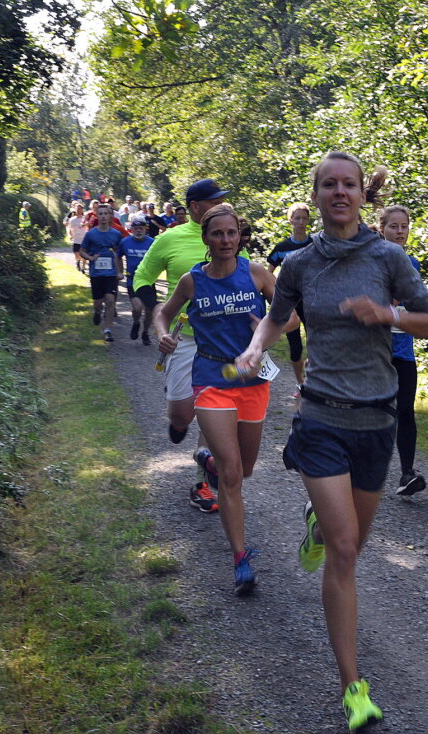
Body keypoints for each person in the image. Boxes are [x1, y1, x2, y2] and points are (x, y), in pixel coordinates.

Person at [234, 151, 428, 732]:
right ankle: (352, 685)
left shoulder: (389, 257)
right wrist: (257, 349)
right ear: (318, 193)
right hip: (323, 415)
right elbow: (276, 317)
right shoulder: (301, 262)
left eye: (349, 184)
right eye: (329, 185)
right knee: (346, 550)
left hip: (376, 422)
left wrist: (387, 314)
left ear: (360, 193)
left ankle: (317, 523)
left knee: (350, 542)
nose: (340, 193)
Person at [154, 204, 294, 595]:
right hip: (211, 378)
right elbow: (163, 314)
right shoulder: (192, 281)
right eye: (218, 234)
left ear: (239, 236)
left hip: (252, 381)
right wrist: (163, 334)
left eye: (232, 233)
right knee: (232, 477)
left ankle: (206, 459)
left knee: (244, 470)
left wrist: (265, 329)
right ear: (206, 239)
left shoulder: (256, 274)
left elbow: (293, 317)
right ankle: (240, 558)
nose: (226, 240)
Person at [133, 178, 236, 513]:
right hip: (183, 338)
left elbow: (244, 280)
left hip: (220, 341)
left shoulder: (230, 236)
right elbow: (142, 277)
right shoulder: (170, 238)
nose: (222, 206)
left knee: (212, 409)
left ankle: (203, 483)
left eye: (223, 200)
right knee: (183, 413)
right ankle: (178, 423)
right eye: (215, 201)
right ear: (195, 207)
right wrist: (156, 318)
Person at [378, 204, 427, 496]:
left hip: (404, 350)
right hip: (375, 351)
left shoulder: (413, 264)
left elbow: (414, 303)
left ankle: (407, 474)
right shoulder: (370, 262)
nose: (399, 231)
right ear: (382, 229)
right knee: (375, 412)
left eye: (403, 226)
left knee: (406, 411)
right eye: (393, 226)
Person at [266, 202, 313, 392]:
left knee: (316, 342)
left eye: (304, 218)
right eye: (297, 218)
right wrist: (277, 294)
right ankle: (300, 383)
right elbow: (268, 274)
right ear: (290, 220)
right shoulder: (281, 248)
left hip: (312, 300)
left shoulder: (315, 244)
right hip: (291, 302)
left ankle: (313, 378)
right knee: (295, 347)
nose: (301, 222)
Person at [80, 204, 125, 344]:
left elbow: (119, 254)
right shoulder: (91, 234)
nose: (104, 216)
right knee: (98, 302)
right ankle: (98, 311)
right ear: (97, 216)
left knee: (111, 300)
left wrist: (120, 272)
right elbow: (82, 250)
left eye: (106, 213)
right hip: (96, 273)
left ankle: (107, 330)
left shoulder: (116, 234)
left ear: (110, 215)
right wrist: (90, 258)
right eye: (101, 214)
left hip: (111, 274)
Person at [119, 218, 154, 345]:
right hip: (132, 280)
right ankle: (136, 322)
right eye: (136, 228)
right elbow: (118, 256)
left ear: (146, 229)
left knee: (149, 310)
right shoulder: (125, 242)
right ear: (131, 229)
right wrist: (119, 271)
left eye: (141, 228)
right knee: (138, 308)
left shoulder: (152, 243)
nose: (138, 231)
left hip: (148, 281)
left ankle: (145, 332)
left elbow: (160, 258)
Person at [67, 204, 87, 272]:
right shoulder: (72, 220)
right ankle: (78, 261)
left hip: (84, 239)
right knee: (77, 254)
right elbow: (69, 229)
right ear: (75, 210)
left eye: (80, 209)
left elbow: (88, 226)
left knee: (84, 255)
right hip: (76, 239)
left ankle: (83, 268)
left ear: (82, 210)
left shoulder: (85, 219)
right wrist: (70, 235)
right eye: (77, 209)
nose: (78, 210)